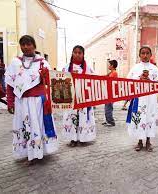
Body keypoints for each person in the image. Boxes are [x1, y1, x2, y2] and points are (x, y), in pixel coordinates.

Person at [5, 35, 58, 165]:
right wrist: (10, 102)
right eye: (23, 44)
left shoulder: (42, 63)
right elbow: (10, 84)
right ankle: (27, 152)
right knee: (24, 127)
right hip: (21, 101)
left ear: (34, 45)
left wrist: (45, 75)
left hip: (37, 102)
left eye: (28, 44)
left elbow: (50, 82)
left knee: (37, 126)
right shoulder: (15, 63)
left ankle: (37, 153)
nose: (25, 47)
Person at [126, 46, 158, 152]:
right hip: (139, 99)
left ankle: (148, 141)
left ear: (151, 55)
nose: (145, 55)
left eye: (147, 53)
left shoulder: (154, 69)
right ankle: (140, 142)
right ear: (139, 55)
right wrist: (139, 79)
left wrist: (151, 80)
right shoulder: (135, 68)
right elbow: (128, 81)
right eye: (143, 53)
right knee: (140, 118)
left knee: (149, 118)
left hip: (150, 99)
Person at [62, 45, 96, 147]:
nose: (77, 54)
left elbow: (94, 82)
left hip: (83, 99)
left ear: (83, 54)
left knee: (83, 117)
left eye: (79, 53)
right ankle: (73, 139)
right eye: (75, 52)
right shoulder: (66, 67)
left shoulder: (88, 68)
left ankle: (83, 138)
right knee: (71, 117)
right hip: (71, 99)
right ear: (72, 53)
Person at [102, 60, 118, 127]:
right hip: (108, 92)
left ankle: (111, 122)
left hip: (111, 93)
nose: (108, 66)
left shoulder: (114, 73)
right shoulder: (111, 73)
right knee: (107, 107)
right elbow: (105, 76)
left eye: (109, 65)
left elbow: (109, 80)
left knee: (108, 107)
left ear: (112, 66)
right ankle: (108, 120)